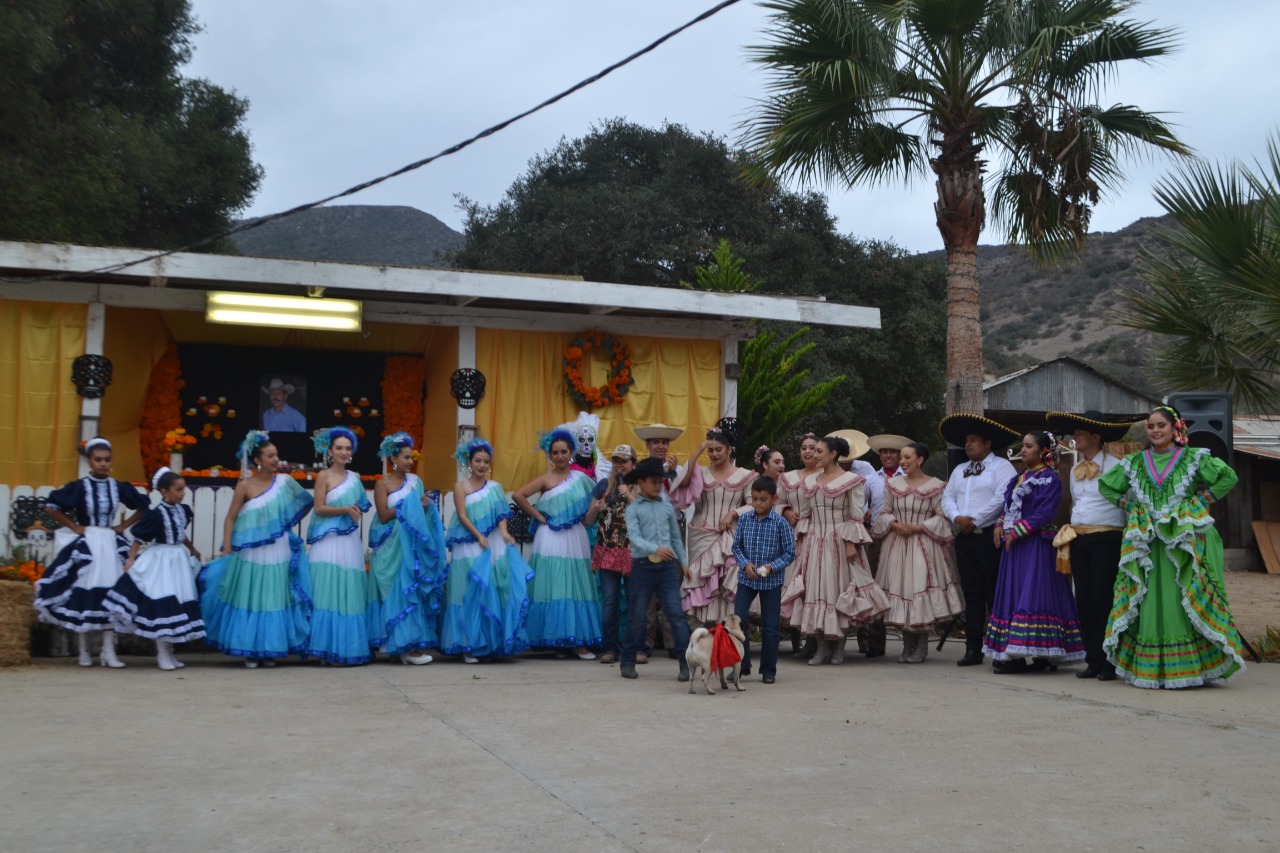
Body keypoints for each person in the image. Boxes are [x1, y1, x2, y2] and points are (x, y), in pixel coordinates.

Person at [1098, 405, 1245, 689]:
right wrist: (1128, 504)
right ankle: (1152, 667)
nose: (1154, 431)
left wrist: (1202, 500)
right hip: (1149, 543)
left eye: (1160, 426)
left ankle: (1192, 667)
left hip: (1182, 543)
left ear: (1174, 428)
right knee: (1150, 597)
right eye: (1150, 426)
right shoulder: (1136, 462)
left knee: (1183, 595)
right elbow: (1107, 486)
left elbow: (1228, 477)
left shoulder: (1192, 457)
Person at [200, 430, 314, 667]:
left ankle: (269, 649)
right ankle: (251, 649)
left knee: (274, 595)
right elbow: (231, 518)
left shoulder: (284, 482)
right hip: (252, 552)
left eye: (276, 455)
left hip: (278, 548)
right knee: (253, 596)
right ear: (257, 460)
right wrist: (228, 546)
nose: (275, 460)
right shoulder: (245, 485)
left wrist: (282, 524)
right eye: (270, 456)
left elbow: (303, 503)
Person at [35, 437, 149, 668]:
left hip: (110, 540)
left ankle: (108, 651)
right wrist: (75, 527)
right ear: (90, 461)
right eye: (98, 460)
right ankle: (84, 650)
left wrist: (122, 527)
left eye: (107, 460)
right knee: (84, 592)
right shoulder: (79, 487)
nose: (103, 464)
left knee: (111, 593)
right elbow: (50, 506)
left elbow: (143, 505)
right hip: (89, 542)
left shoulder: (118, 486)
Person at [780, 434, 889, 665]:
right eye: (814, 451)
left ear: (833, 454)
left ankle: (839, 645)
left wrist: (851, 543)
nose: (815, 455)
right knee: (816, 590)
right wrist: (801, 540)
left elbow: (856, 515)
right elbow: (807, 514)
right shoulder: (810, 482)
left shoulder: (852, 480)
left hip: (839, 541)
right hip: (814, 541)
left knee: (837, 589)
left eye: (819, 451)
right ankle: (821, 646)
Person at [982, 431, 1085, 673]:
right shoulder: (1019, 479)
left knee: (1034, 593)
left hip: (1035, 544)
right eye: (1023, 446)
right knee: (1015, 594)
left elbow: (1044, 514)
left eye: (1028, 446)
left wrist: (1016, 532)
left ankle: (1041, 651)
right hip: (1014, 546)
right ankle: (1015, 653)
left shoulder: (1048, 478)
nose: (1023, 450)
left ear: (1042, 451)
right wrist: (999, 526)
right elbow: (1008, 508)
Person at [1046, 410, 1134, 681]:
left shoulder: (1118, 465)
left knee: (1103, 598)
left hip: (1107, 537)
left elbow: (1129, 502)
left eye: (1081, 433)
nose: (1075, 437)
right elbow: (1076, 502)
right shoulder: (1073, 469)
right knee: (1083, 599)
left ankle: (1111, 660)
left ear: (1096, 436)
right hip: (1080, 538)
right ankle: (1093, 658)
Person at [513, 428, 602, 658]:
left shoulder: (581, 479)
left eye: (564, 451)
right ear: (550, 455)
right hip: (549, 536)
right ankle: (557, 639)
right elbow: (518, 495)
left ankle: (576, 640)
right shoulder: (546, 479)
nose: (560, 456)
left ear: (571, 453)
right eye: (555, 452)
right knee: (551, 583)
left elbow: (587, 516)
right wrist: (539, 516)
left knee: (574, 582)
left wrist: (594, 512)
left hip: (574, 535)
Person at [441, 438, 532, 663]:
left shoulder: (495, 488)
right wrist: (478, 535)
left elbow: (502, 514)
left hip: (491, 543)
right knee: (468, 589)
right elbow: (462, 515)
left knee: (491, 590)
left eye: (486, 461)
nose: (481, 465)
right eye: (477, 460)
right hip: (469, 543)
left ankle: (489, 643)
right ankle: (467, 645)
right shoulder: (460, 487)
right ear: (469, 462)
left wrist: (504, 533)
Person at [871, 442, 964, 663]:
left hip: (923, 543)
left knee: (917, 589)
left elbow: (942, 517)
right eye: (901, 457)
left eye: (907, 457)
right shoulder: (892, 484)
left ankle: (921, 645)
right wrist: (894, 524)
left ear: (920, 459)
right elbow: (884, 512)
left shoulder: (935, 485)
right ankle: (907, 645)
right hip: (897, 544)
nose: (902, 461)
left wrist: (918, 527)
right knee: (900, 589)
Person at [104, 467, 205, 670]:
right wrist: (131, 559)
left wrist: (191, 548)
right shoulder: (156, 514)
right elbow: (139, 538)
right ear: (165, 492)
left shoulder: (181, 510)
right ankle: (161, 652)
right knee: (165, 604)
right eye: (178, 490)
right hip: (162, 560)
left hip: (178, 559)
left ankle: (170, 651)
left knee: (179, 602)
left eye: (183, 489)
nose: (182, 493)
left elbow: (180, 533)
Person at [939, 414, 1020, 667]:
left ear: (987, 443)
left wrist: (974, 519)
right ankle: (973, 648)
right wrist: (957, 518)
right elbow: (947, 498)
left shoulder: (1002, 467)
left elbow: (1001, 498)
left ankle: (999, 650)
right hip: (964, 537)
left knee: (994, 593)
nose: (968, 444)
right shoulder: (960, 469)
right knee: (971, 594)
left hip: (988, 537)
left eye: (973, 440)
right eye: (966, 441)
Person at [367, 433, 446, 665]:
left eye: (411, 457)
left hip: (410, 546)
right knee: (391, 591)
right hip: (389, 545)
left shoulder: (415, 481)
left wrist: (423, 508)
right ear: (393, 458)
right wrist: (410, 504)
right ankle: (393, 645)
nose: (410, 462)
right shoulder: (382, 483)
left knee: (408, 590)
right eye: (405, 457)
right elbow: (383, 515)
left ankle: (408, 647)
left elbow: (420, 513)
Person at [619, 457, 692, 682]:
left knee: (676, 615)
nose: (658, 485)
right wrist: (656, 549)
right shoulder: (632, 510)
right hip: (642, 567)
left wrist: (684, 562)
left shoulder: (667, 508)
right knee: (638, 616)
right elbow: (635, 539)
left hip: (667, 568)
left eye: (660, 482)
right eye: (653, 481)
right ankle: (628, 660)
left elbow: (675, 538)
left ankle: (686, 662)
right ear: (640, 482)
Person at [304, 427, 373, 665]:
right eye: (339, 448)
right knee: (326, 590)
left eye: (347, 448)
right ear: (329, 451)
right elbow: (319, 508)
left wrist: (353, 510)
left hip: (349, 541)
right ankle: (324, 648)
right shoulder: (324, 476)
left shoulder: (355, 478)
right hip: (328, 541)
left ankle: (345, 648)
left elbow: (362, 505)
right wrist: (344, 509)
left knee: (347, 590)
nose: (344, 452)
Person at [680, 427, 755, 625]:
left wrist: (733, 513)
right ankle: (703, 632)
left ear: (729, 450)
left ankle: (725, 633)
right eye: (710, 450)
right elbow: (683, 483)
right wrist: (696, 453)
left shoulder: (746, 475)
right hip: (701, 535)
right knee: (702, 581)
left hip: (730, 536)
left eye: (718, 450)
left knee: (725, 584)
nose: (713, 454)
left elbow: (755, 503)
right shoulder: (700, 473)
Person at [732, 477, 796, 684]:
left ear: (774, 499)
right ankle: (742, 665)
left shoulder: (781, 523)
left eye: (763, 499)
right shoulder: (744, 520)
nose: (758, 503)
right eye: (754, 499)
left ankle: (769, 670)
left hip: (771, 582)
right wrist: (745, 564)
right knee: (739, 619)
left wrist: (771, 567)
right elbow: (736, 547)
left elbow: (789, 553)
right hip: (746, 579)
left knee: (770, 626)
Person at [632, 422, 688, 661]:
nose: (661, 446)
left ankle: (673, 642)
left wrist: (674, 475)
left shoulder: (680, 469)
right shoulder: (640, 471)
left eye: (664, 442)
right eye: (656, 442)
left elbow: (685, 498)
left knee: (671, 586)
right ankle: (645, 643)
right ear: (647, 445)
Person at [584, 444, 638, 664]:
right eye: (616, 460)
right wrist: (595, 509)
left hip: (633, 551)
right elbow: (587, 520)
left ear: (633, 464)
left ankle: (633, 649)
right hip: (608, 550)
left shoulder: (641, 486)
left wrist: (630, 496)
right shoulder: (603, 486)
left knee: (635, 601)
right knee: (610, 601)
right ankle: (609, 648)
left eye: (624, 461)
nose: (619, 465)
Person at [779, 433, 821, 657]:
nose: (808, 452)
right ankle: (797, 640)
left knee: (810, 585)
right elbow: (779, 501)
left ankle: (813, 641)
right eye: (804, 447)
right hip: (791, 535)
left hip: (816, 534)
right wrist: (786, 511)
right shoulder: (788, 477)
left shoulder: (826, 477)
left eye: (813, 448)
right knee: (792, 584)